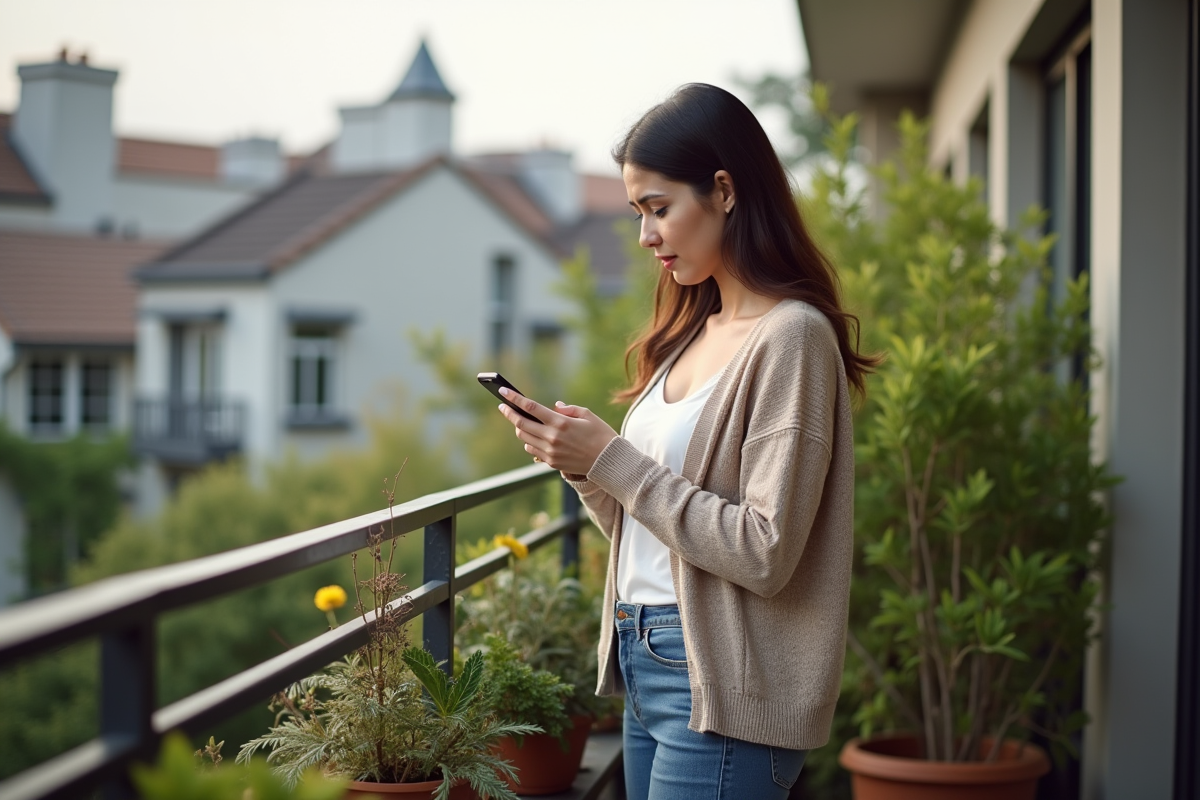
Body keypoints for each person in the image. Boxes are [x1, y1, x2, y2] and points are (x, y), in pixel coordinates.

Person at [494, 83, 876, 800]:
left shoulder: (792, 337)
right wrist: (582, 466)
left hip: (725, 683)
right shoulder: (690, 333)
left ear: (724, 191)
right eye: (638, 213)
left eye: (659, 208)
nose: (646, 236)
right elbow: (654, 532)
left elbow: (764, 551)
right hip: (646, 661)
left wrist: (611, 460)